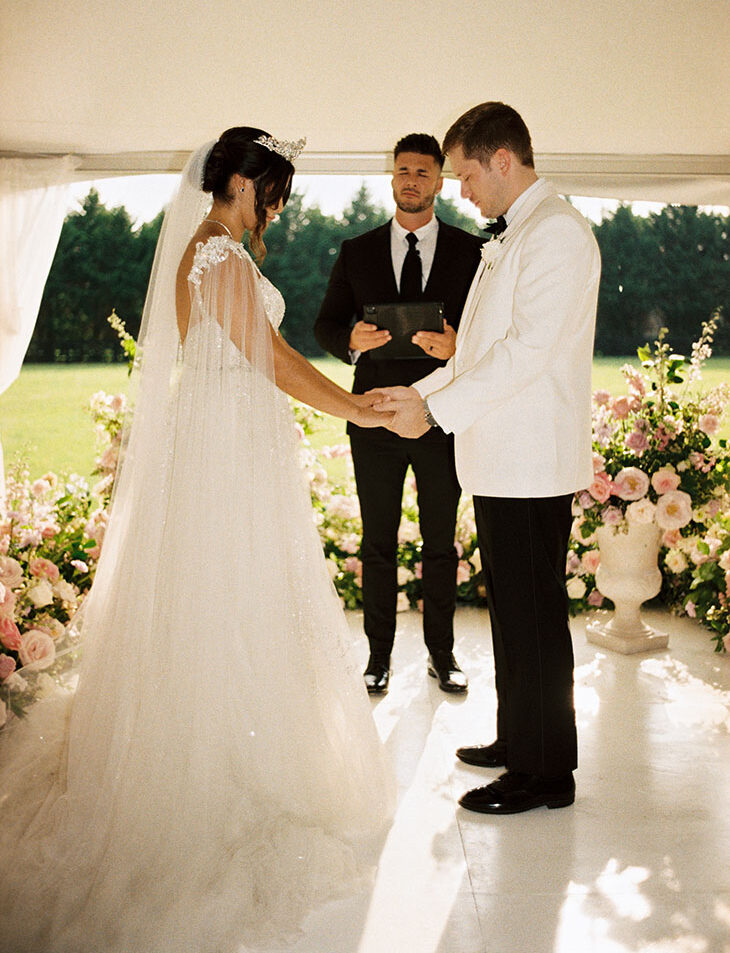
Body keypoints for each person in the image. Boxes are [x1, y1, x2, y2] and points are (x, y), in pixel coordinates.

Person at [0, 127, 394, 953]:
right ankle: (217, 775)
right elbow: (274, 358)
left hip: (230, 438)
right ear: (246, 184)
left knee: (237, 600)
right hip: (226, 451)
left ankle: (241, 742)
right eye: (275, 196)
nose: (277, 215)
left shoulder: (209, 252)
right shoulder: (216, 257)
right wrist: (355, 407)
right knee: (230, 598)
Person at [372, 103, 601, 814]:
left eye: (466, 174)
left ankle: (545, 774)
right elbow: (475, 353)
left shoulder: (557, 233)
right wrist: (415, 394)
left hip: (532, 464)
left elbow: (526, 353)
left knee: (534, 618)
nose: (461, 190)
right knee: (511, 611)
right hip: (502, 461)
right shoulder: (518, 232)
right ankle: (518, 734)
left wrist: (434, 410)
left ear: (502, 160)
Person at [314, 133, 482, 696]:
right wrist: (351, 340)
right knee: (377, 543)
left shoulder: (471, 250)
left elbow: (485, 332)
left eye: (423, 172)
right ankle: (377, 658)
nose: (411, 180)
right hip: (374, 418)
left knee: (441, 543)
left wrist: (459, 345)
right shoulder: (355, 250)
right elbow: (326, 326)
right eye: (402, 170)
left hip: (441, 418)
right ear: (393, 177)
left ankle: (443, 654)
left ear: (440, 180)